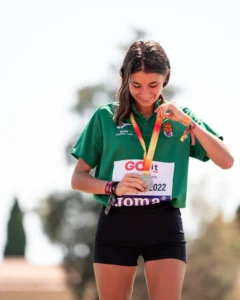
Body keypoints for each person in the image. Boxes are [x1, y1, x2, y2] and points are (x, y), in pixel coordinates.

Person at [71, 40, 234, 300]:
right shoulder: (105, 117)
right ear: (125, 78)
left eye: (153, 85)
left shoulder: (182, 119)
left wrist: (188, 122)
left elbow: (226, 161)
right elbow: (78, 178)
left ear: (165, 78)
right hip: (117, 222)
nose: (145, 93)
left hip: (164, 223)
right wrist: (113, 187)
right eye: (136, 85)